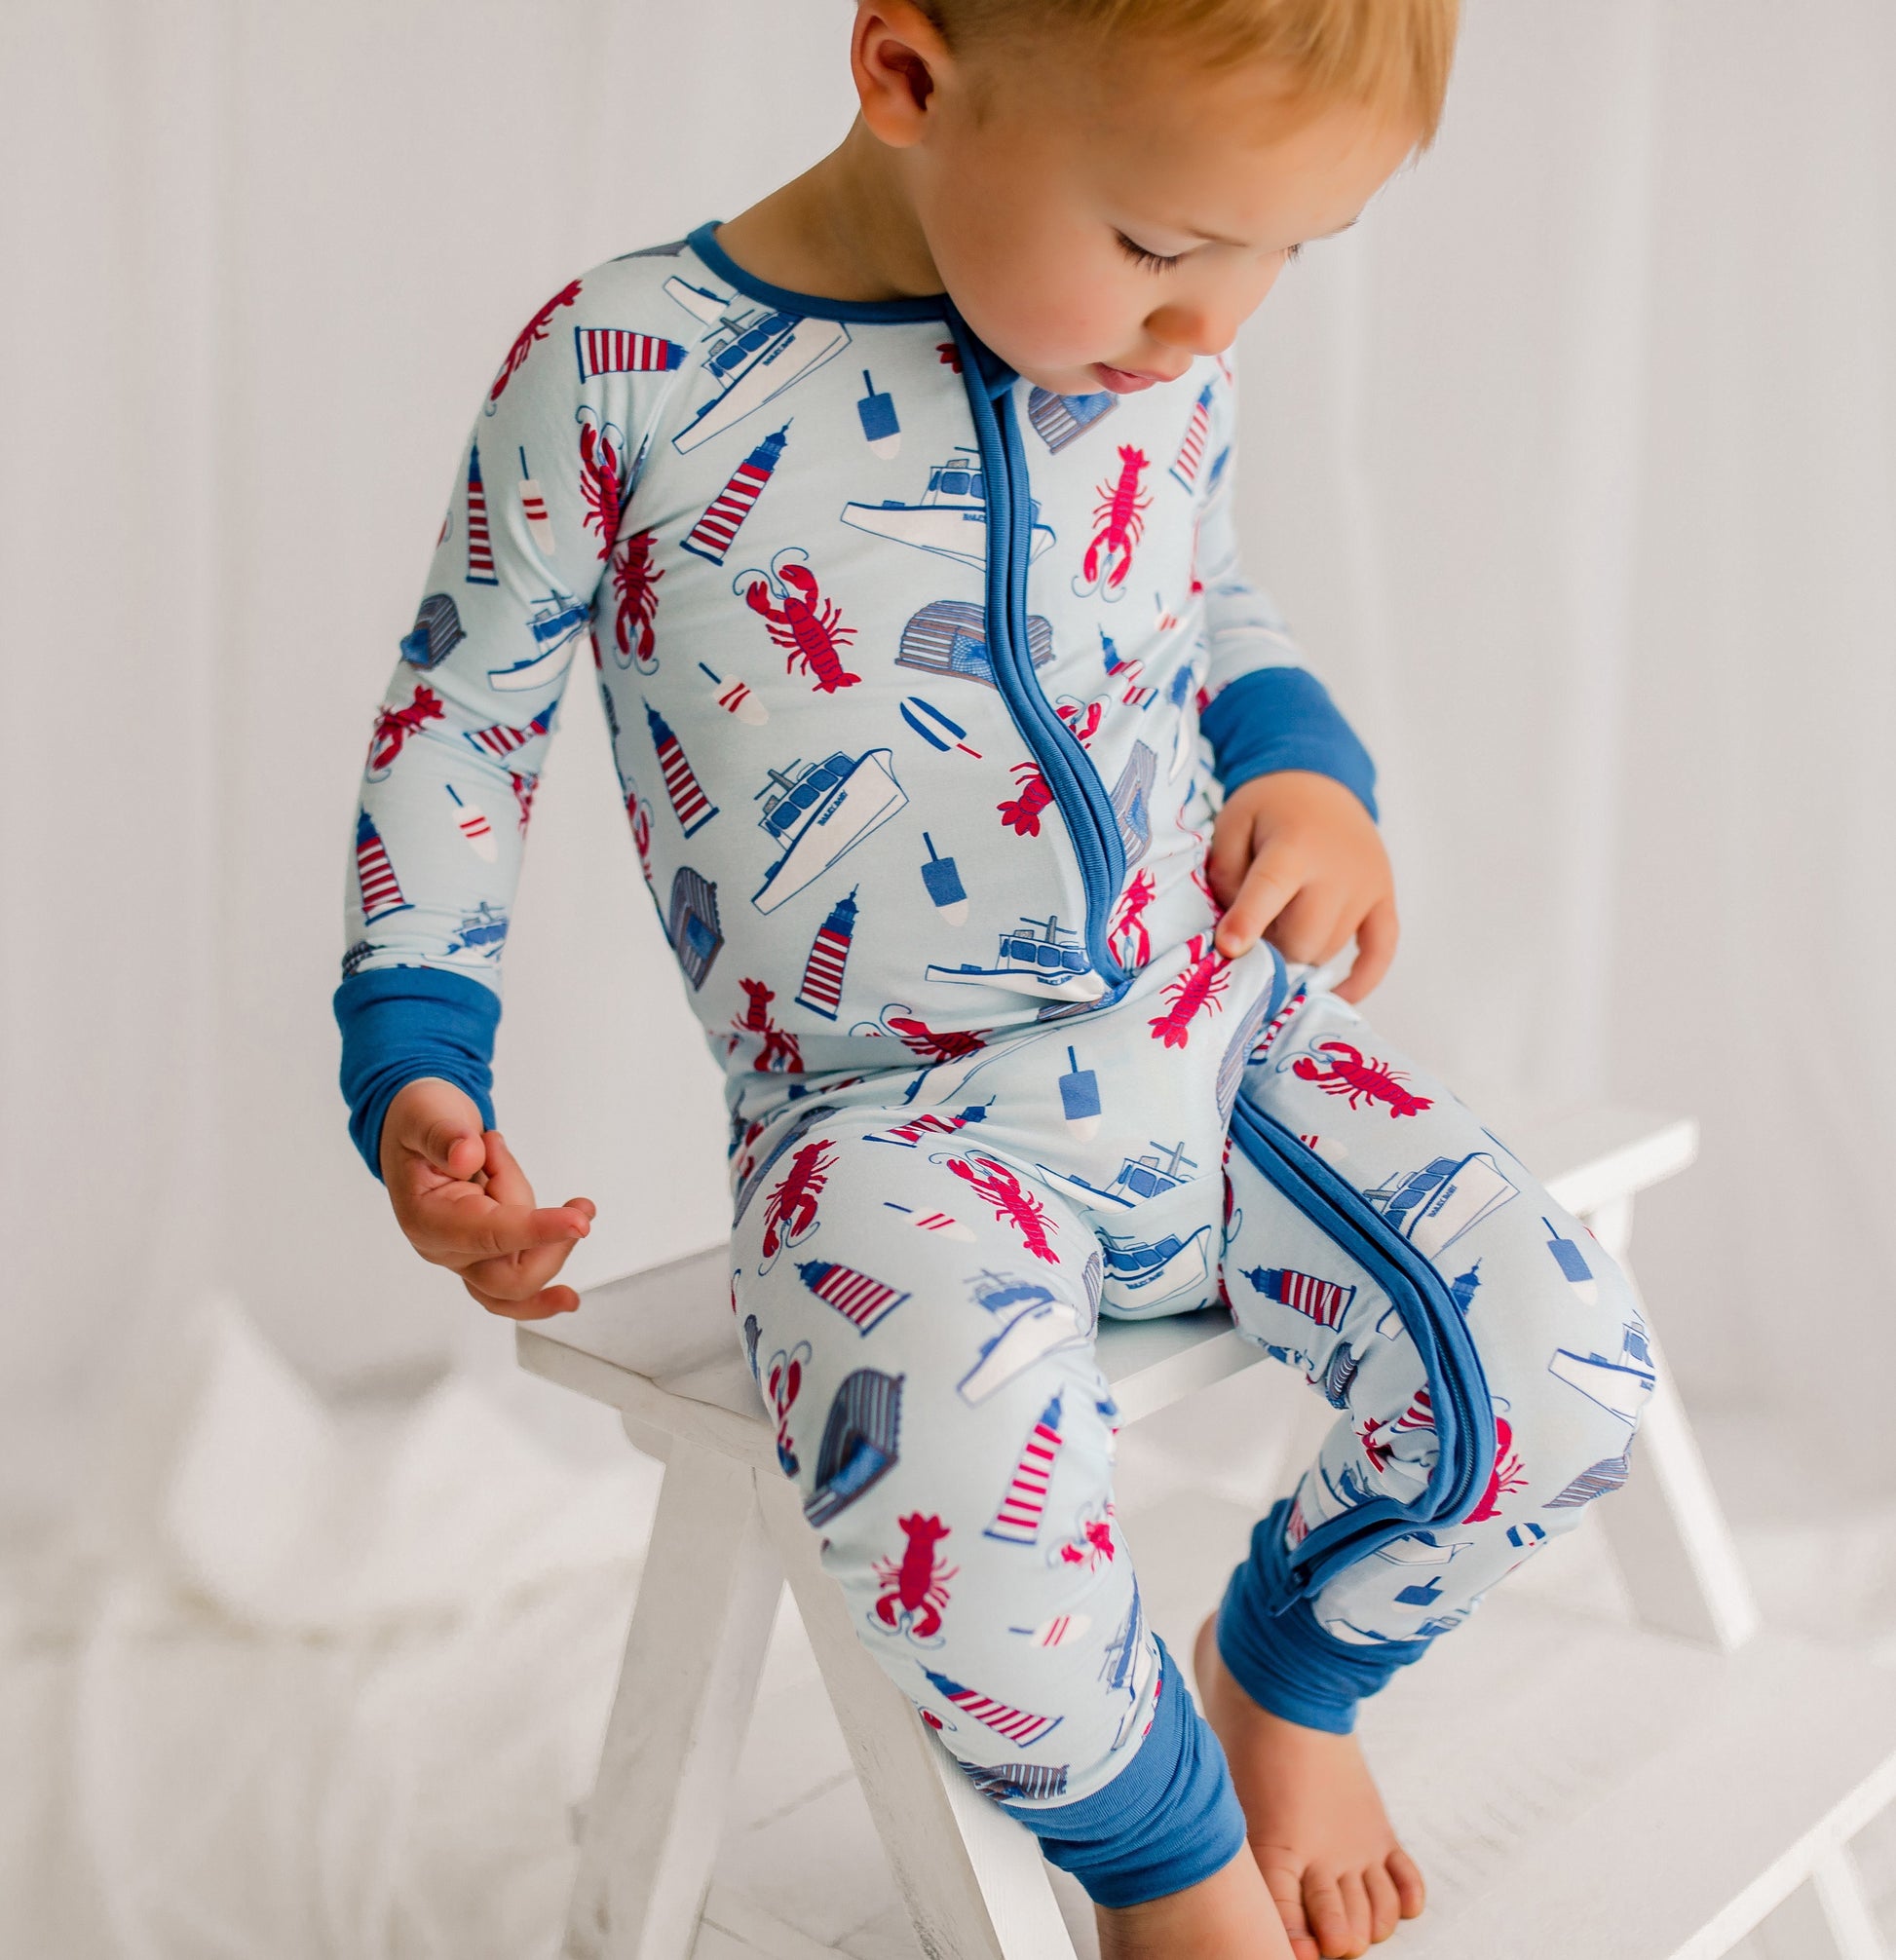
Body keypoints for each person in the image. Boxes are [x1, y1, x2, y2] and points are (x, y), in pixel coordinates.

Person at [334, 3, 1655, 1953]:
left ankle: (1286, 1677)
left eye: (1285, 250)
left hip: (1216, 1041)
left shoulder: (1155, 344)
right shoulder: (624, 370)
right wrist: (417, 1052)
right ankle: (1166, 1853)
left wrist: (1308, 776)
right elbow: (461, 728)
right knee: (945, 1522)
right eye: (1160, 246)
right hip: (889, 1127)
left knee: (1558, 1371)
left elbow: (1210, 592)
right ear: (907, 79)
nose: (1217, 323)